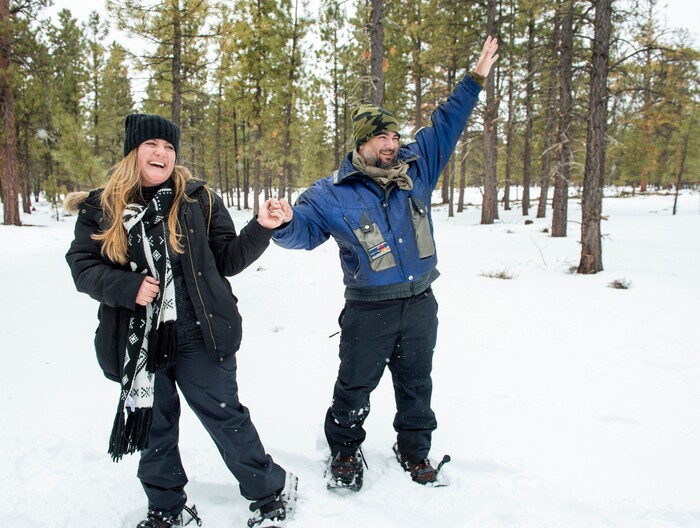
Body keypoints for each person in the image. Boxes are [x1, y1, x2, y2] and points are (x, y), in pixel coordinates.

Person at [270, 36, 499, 489]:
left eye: (394, 135)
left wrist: (473, 81)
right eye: (382, 136)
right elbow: (305, 233)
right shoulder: (330, 192)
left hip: (419, 302)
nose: (392, 143)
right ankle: (345, 452)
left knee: (416, 383)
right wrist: (282, 224)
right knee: (354, 387)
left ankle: (414, 450)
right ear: (362, 142)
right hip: (368, 310)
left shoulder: (416, 169)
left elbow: (448, 122)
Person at [65, 113, 296, 528]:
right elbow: (81, 267)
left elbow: (227, 258)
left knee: (225, 416)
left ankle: (270, 489)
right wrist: (126, 286)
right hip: (139, 341)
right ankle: (167, 508)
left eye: (169, 147)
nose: (162, 153)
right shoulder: (101, 208)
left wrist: (262, 228)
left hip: (200, 334)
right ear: (132, 153)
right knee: (154, 424)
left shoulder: (197, 199)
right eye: (152, 144)